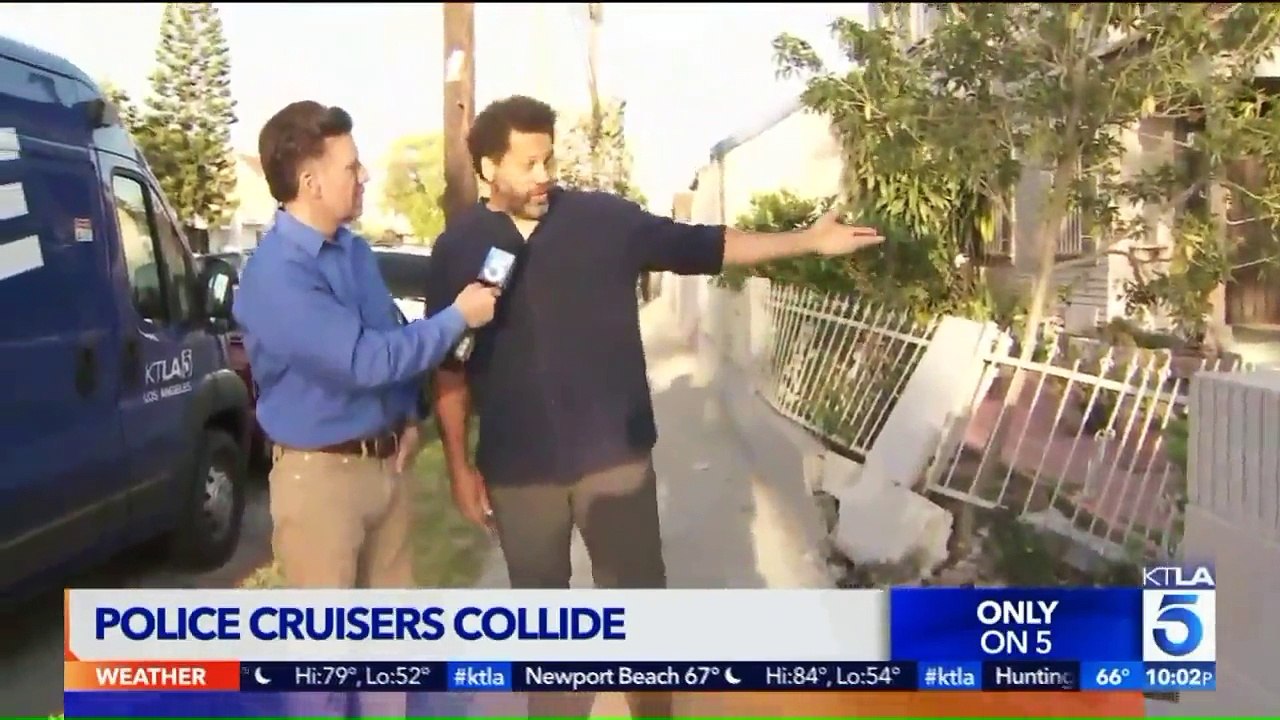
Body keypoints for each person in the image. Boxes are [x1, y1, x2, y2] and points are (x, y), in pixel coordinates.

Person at [422, 95, 883, 719]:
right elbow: (450, 370)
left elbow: (706, 245)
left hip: (613, 457)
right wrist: (457, 467)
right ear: (487, 170)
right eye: (527, 164)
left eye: (548, 159)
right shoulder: (458, 249)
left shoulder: (603, 220)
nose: (543, 176)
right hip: (519, 469)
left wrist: (806, 239)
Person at [232, 100, 498, 716]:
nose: (366, 176)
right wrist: (461, 314)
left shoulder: (351, 252)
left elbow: (388, 335)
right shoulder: (276, 276)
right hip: (319, 481)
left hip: (384, 468)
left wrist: (407, 415)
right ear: (310, 180)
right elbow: (362, 361)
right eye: (352, 166)